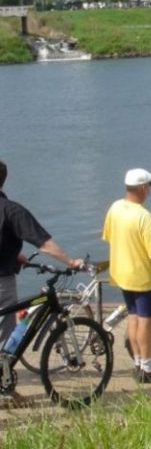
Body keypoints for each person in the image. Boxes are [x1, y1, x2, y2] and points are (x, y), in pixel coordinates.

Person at [0, 160, 82, 403]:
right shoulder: (11, 210)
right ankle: (5, 393)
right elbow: (44, 243)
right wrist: (70, 261)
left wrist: (14, 256)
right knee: (5, 339)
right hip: (2, 282)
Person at [102, 168, 151, 384]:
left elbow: (108, 236)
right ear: (143, 188)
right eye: (149, 186)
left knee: (133, 317)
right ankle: (148, 368)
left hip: (121, 273)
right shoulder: (144, 217)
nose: (150, 190)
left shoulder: (115, 208)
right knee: (145, 321)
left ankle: (138, 363)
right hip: (141, 277)